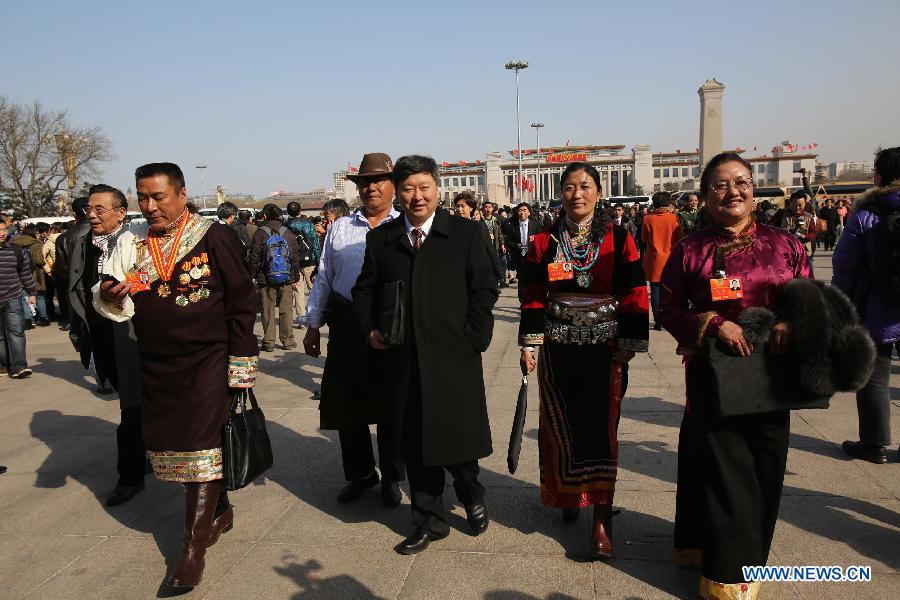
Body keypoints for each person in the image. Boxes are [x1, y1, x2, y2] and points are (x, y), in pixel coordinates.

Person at [96, 162, 259, 588]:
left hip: (207, 359)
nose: (149, 206)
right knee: (177, 446)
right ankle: (219, 510)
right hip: (157, 362)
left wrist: (241, 360)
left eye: (158, 197)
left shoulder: (213, 235)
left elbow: (242, 299)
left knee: (199, 446)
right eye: (142, 197)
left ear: (182, 195)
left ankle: (192, 548)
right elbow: (116, 297)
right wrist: (113, 293)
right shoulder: (133, 243)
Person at [660, 152, 812, 599]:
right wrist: (712, 322)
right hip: (715, 376)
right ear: (706, 195)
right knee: (728, 472)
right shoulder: (691, 249)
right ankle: (728, 576)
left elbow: (810, 295)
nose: (734, 192)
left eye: (741, 182)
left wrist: (791, 321)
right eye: (721, 185)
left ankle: (746, 554)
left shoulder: (785, 243)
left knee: (766, 467)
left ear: (753, 189)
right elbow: (667, 307)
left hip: (772, 376)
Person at [352, 155, 498, 555]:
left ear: (438, 189)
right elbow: (364, 290)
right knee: (415, 444)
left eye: (424, 187)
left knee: (459, 438)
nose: (417, 196)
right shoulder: (381, 239)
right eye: (408, 189)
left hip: (455, 355)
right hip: (404, 358)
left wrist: (475, 336)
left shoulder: (466, 233)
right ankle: (428, 519)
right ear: (398, 193)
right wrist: (370, 328)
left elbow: (485, 287)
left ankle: (471, 494)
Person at [518, 162, 649, 560]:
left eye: (586, 186)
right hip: (558, 351)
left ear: (598, 191)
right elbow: (533, 294)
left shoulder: (619, 237)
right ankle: (570, 497)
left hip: (605, 351)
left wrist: (631, 341)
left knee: (602, 427)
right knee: (560, 426)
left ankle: (602, 516)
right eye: (570, 187)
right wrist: (530, 343)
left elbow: (634, 291)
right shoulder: (543, 241)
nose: (578, 194)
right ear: (561, 193)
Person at [302, 152, 405, 506]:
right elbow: (324, 277)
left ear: (394, 185)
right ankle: (361, 473)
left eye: (378, 181)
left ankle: (393, 475)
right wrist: (313, 324)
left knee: (393, 406)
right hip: (347, 325)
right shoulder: (341, 228)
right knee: (347, 405)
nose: (371, 188)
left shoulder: (406, 225)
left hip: (392, 325)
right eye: (364, 182)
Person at [68, 184, 145, 505]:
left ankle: (130, 475)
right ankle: (140, 459)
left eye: (100, 209)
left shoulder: (135, 243)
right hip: (99, 334)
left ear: (120, 213)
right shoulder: (80, 243)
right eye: (90, 209)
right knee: (130, 402)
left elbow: (147, 282)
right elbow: (73, 286)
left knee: (132, 405)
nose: (93, 214)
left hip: (130, 332)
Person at [833, 146, 900, 464]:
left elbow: (845, 266)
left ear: (879, 176)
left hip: (878, 309)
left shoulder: (867, 215)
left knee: (875, 377)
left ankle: (874, 445)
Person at [249, 204, 301, 351]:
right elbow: (295, 257)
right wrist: (295, 276)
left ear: (265, 216)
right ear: (279, 215)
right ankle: (287, 341)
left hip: (265, 278)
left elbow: (254, 257)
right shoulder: (288, 233)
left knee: (267, 310)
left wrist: (252, 275)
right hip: (286, 277)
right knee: (286, 309)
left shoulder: (260, 233)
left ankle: (269, 342)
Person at [642, 192, 683, 330]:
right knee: (670, 292)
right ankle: (669, 319)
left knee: (655, 292)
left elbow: (643, 238)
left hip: (654, 261)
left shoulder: (647, 219)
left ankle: (658, 321)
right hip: (670, 260)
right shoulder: (673, 218)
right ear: (667, 203)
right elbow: (680, 239)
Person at [0, 219, 36, 378]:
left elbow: (25, 273)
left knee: (16, 332)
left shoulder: (16, 250)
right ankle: (4, 364)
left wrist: (32, 293)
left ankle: (19, 366)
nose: (2, 233)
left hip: (13, 296)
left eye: (3, 229)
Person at [55, 197, 92, 331]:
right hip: (101, 287)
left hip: (75, 289)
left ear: (74, 214)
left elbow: (61, 268)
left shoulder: (63, 238)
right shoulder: (101, 232)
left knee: (82, 330)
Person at [454, 192, 503, 286]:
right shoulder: (451, 227)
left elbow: (490, 250)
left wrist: (499, 271)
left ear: (471, 208)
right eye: (457, 206)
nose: (459, 209)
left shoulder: (478, 227)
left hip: (475, 273)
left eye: (462, 206)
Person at [284, 201, 320, 328]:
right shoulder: (308, 224)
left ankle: (301, 320)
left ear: (288, 212)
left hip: (293, 262)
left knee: (298, 291)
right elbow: (315, 243)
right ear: (300, 210)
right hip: (309, 260)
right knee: (314, 290)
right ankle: (315, 317)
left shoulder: (285, 226)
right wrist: (318, 260)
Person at [12, 224, 48, 327]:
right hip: (35, 274)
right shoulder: (36, 244)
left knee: (25, 296)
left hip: (20, 272)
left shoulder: (15, 242)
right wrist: (44, 263)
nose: (38, 235)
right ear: (33, 232)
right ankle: (43, 318)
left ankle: (29, 320)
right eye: (37, 233)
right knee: (40, 296)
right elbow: (39, 260)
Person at [772, 190, 818, 258]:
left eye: (800, 205)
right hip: (784, 252)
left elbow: (814, 233)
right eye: (795, 205)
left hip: (803, 252)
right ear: (790, 203)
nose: (797, 208)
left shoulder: (808, 217)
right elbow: (770, 226)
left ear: (805, 203)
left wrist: (805, 236)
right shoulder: (781, 214)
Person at [505, 203, 541, 286]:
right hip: (519, 257)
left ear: (529, 212)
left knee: (533, 281)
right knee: (521, 282)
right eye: (520, 211)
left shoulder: (535, 225)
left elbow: (540, 240)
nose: (522, 213)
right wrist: (517, 245)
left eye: (524, 210)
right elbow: (508, 242)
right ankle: (522, 298)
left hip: (532, 257)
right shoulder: (512, 226)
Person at [481, 201, 507, 287]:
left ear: (492, 209)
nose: (487, 209)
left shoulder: (495, 220)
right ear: (483, 209)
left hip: (494, 246)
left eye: (489, 207)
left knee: (495, 265)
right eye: (486, 207)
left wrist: (502, 244)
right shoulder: (480, 221)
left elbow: (499, 233)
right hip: (484, 247)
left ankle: (495, 285)